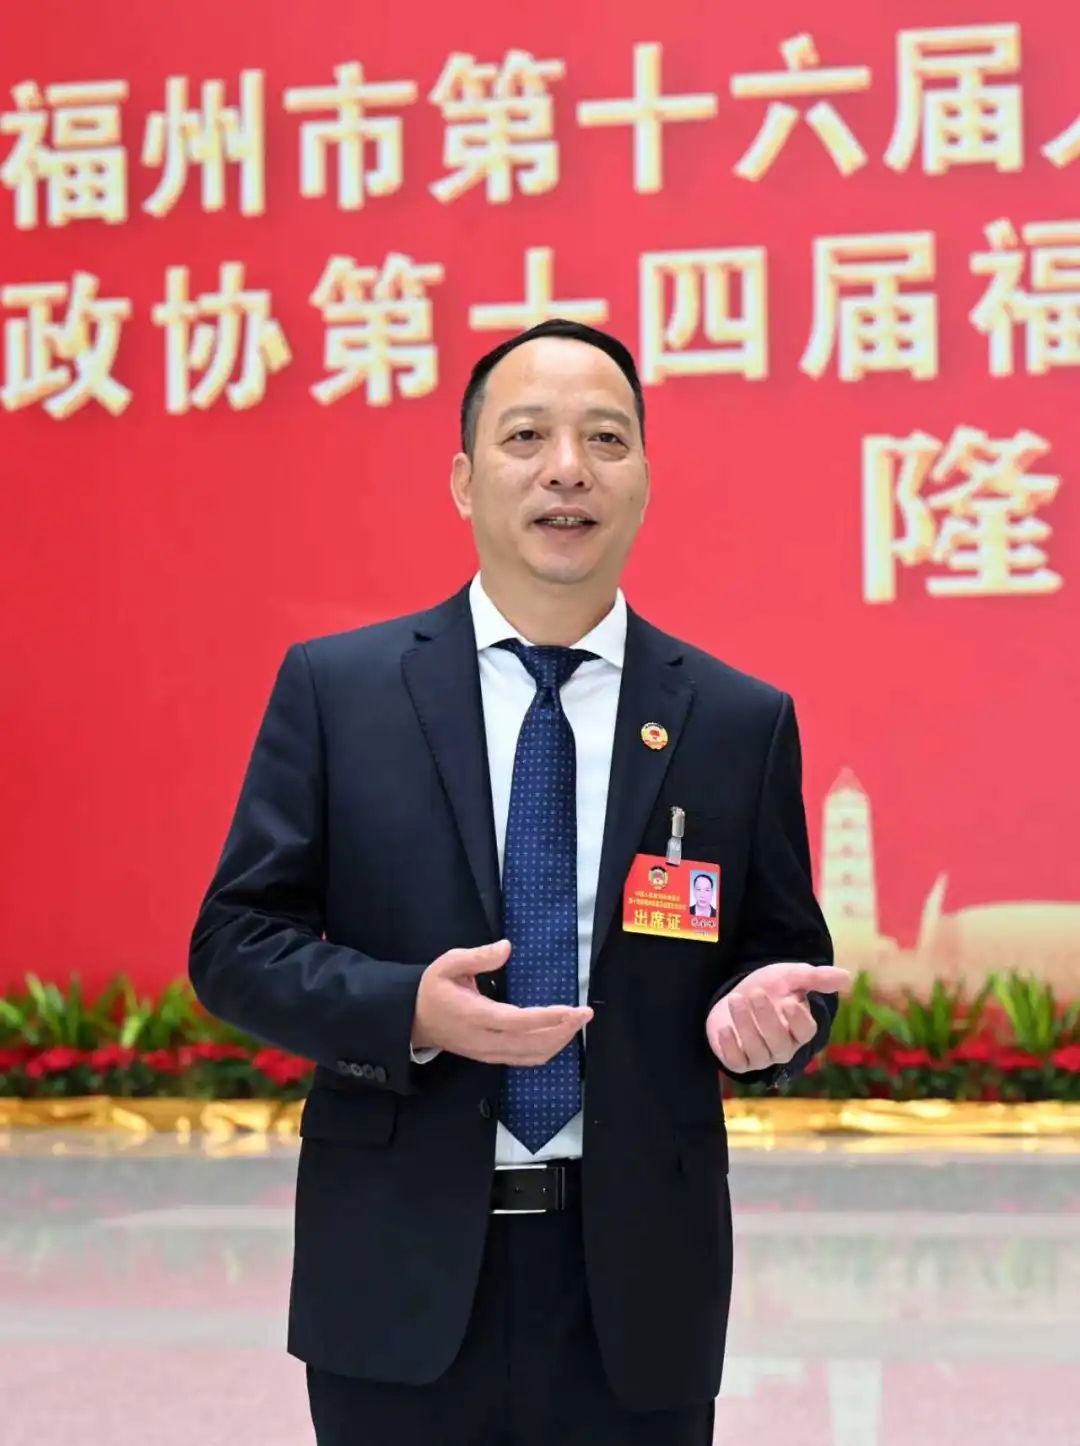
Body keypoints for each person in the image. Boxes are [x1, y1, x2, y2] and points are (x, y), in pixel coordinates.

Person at [189, 318, 850, 1446]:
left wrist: (769, 1021)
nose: (567, 469)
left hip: (636, 1287)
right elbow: (235, 945)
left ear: (644, 481)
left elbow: (784, 964)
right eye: (527, 436)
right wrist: (406, 1009)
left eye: (606, 439)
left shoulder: (736, 721)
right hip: (395, 1269)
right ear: (464, 479)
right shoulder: (342, 693)